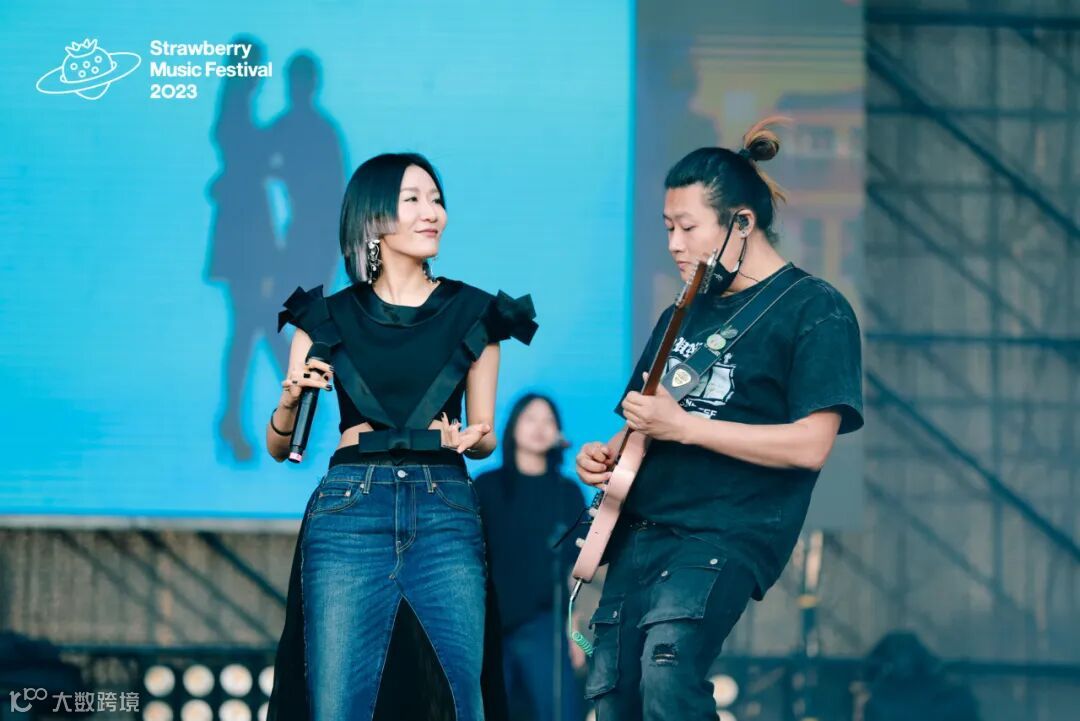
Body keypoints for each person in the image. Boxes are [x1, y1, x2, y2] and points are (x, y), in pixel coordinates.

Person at [574, 117, 864, 721]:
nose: (674, 244)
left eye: (687, 227)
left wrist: (686, 427)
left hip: (723, 532)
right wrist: (608, 453)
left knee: (668, 673)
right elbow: (643, 422)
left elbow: (811, 445)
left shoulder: (815, 308)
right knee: (610, 696)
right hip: (642, 528)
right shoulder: (681, 312)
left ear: (742, 223)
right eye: (667, 228)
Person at [264, 152, 538, 721]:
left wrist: (474, 439)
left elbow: (484, 436)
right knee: (338, 704)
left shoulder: (477, 313)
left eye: (436, 199)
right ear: (372, 217)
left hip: (444, 506)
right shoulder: (324, 316)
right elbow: (281, 448)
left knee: (461, 698)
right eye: (412, 199)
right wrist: (290, 400)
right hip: (349, 510)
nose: (431, 212)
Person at [474, 394, 587, 721]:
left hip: (544, 623)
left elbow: (574, 569)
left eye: (548, 420)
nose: (540, 427)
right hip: (490, 624)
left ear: (559, 433)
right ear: (513, 427)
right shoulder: (486, 487)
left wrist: (575, 634)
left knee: (560, 710)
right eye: (530, 418)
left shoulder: (567, 492)